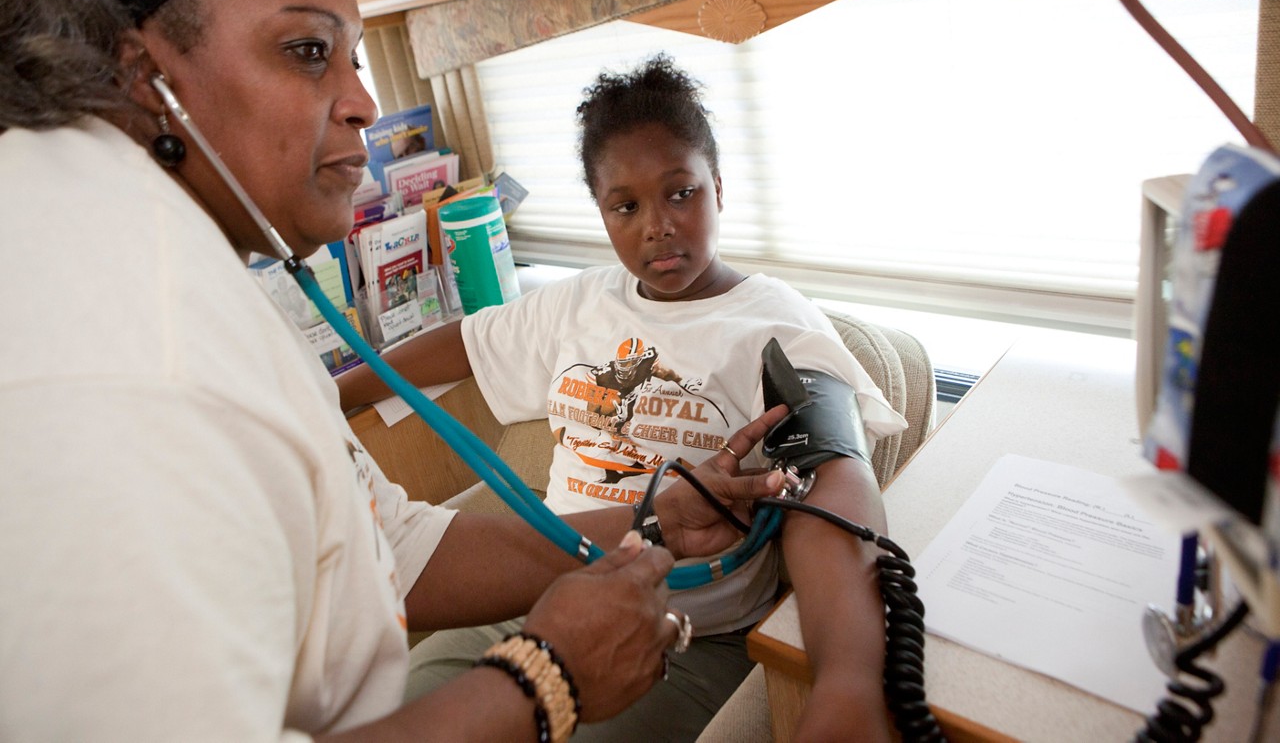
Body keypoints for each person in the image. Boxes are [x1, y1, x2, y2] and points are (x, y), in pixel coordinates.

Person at [0, 0, 793, 740]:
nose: (364, 104)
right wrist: (541, 682)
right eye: (308, 50)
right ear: (135, 73)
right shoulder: (126, 344)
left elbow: (391, 549)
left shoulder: (168, 262)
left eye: (357, 57)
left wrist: (651, 519)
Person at [338, 55, 908, 741]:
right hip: (545, 599)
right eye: (626, 205)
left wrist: (849, 679)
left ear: (718, 189)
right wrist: (327, 390)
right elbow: (461, 342)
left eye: (680, 193)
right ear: (602, 211)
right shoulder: (579, 302)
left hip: (687, 633)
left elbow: (833, 483)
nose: (657, 226)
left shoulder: (775, 326)